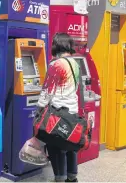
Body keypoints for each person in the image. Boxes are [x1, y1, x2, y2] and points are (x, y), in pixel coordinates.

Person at [37, 33, 80, 182]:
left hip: (58, 113)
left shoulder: (56, 64)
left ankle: (60, 178)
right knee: (70, 144)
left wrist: (39, 108)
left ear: (56, 45)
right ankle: (72, 177)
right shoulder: (75, 63)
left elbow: (47, 91)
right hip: (73, 111)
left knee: (56, 145)